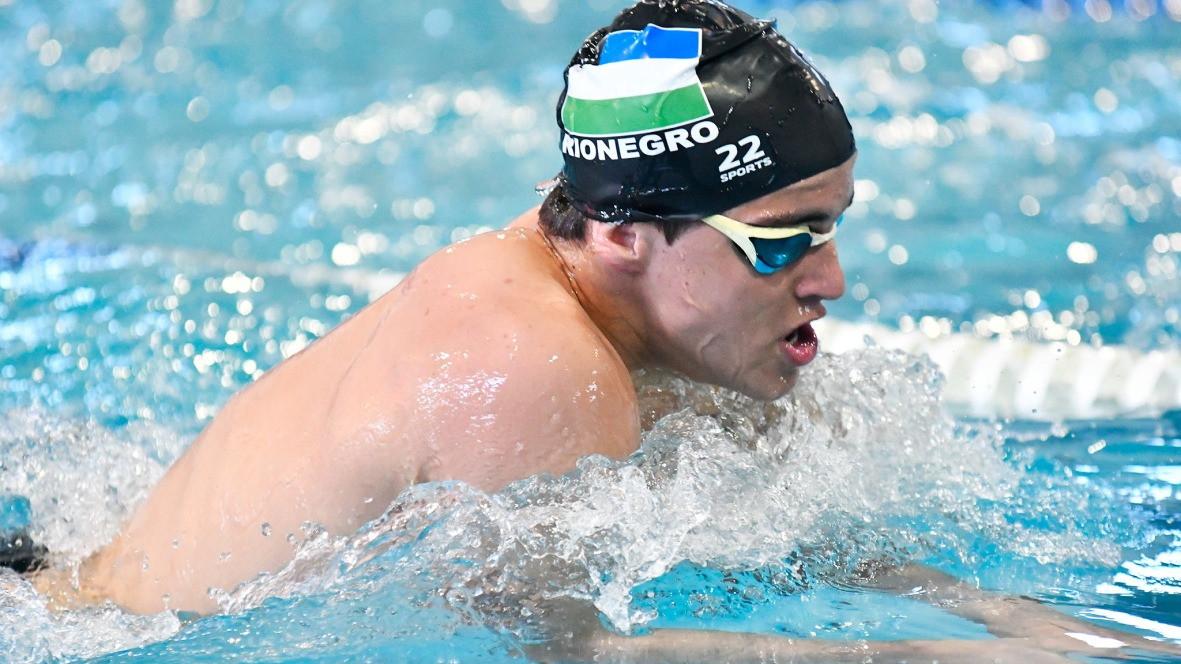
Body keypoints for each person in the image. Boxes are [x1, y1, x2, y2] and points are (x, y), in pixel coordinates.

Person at [18, 1, 1180, 660]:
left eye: (831, 225)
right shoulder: (531, 369)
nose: (827, 278)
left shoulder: (646, 309)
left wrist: (1023, 622)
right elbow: (573, 652)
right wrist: (929, 657)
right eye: (782, 238)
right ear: (625, 232)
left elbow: (796, 534)